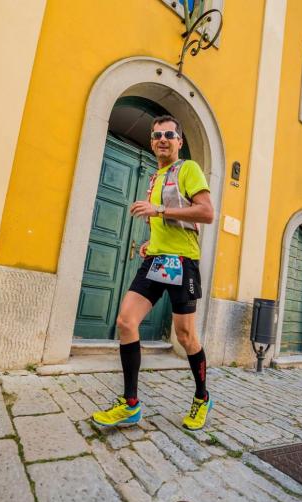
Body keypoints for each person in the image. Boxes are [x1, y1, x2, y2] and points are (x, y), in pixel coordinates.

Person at [92, 114, 215, 430]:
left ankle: (202, 397)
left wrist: (158, 209)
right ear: (151, 141)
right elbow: (168, 224)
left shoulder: (188, 169)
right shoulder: (154, 178)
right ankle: (130, 404)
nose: (163, 139)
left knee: (185, 336)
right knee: (126, 321)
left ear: (179, 141)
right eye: (157, 135)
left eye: (169, 135)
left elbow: (206, 212)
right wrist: (151, 242)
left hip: (182, 262)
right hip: (157, 260)